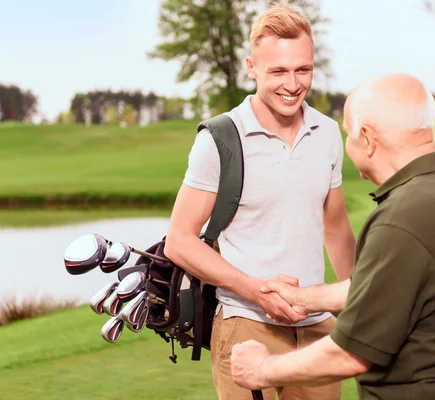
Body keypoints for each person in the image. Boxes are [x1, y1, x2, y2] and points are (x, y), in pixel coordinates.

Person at [230, 72, 435, 400]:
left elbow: (349, 353)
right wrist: (304, 298)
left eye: (348, 133)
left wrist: (262, 369)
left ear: (368, 138)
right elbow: (393, 287)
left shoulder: (403, 218)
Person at [163, 3, 356, 399]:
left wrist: (360, 300)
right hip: (246, 324)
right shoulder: (218, 140)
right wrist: (255, 290)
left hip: (318, 328)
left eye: (302, 69)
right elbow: (179, 241)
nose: (292, 84)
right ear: (251, 67)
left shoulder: (328, 133)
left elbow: (335, 226)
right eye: (278, 71)